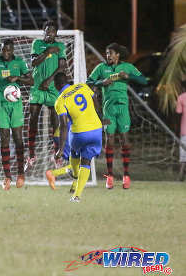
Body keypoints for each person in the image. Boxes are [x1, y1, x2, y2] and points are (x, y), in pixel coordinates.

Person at [86, 43, 147, 189]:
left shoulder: (127, 67)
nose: (108, 55)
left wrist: (129, 76)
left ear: (118, 55)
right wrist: (102, 82)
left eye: (111, 53)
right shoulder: (101, 68)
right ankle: (110, 176)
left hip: (123, 109)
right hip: (108, 110)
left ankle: (126, 175)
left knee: (124, 140)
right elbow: (88, 82)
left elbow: (144, 81)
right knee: (109, 140)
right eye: (107, 53)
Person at [0, 39, 33, 190]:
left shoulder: (20, 63)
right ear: (1, 49)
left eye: (9, 50)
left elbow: (31, 80)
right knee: (4, 139)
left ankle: (20, 174)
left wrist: (18, 78)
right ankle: (7, 177)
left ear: (13, 50)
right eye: (4, 50)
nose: (6, 53)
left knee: (18, 138)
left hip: (16, 105)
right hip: (1, 106)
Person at [54, 72, 103, 202]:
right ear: (67, 80)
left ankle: (75, 174)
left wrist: (60, 148)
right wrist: (100, 116)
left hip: (79, 133)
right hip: (97, 130)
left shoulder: (60, 100)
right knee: (86, 161)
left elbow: (64, 125)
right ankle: (77, 195)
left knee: (74, 152)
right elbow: (95, 99)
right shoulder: (83, 86)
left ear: (56, 85)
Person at [27, 21, 67, 171]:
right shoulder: (37, 44)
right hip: (37, 87)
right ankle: (31, 154)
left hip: (51, 87)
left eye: (52, 31)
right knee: (33, 119)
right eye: (47, 30)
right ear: (43, 31)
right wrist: (48, 51)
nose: (49, 33)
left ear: (56, 33)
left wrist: (49, 80)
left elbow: (62, 66)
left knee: (55, 121)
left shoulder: (61, 46)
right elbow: (34, 62)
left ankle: (56, 153)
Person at [45, 122, 77, 192]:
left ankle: (74, 188)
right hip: (66, 133)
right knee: (79, 163)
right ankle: (53, 173)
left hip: (60, 133)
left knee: (78, 164)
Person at [175, 80, 186, 181]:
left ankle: (180, 177)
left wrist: (176, 129)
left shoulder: (181, 97)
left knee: (183, 157)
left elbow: (178, 114)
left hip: (184, 131)